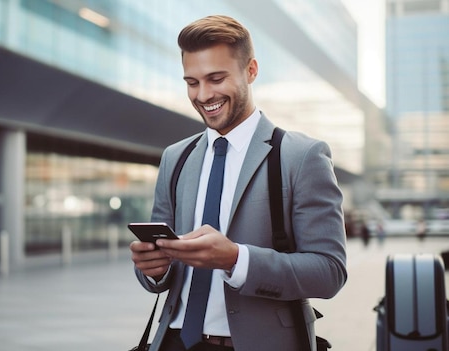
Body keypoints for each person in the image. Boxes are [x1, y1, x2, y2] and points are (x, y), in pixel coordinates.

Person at [130, 15, 347, 351]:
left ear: (251, 71)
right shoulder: (176, 158)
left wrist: (235, 259)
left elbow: (329, 271)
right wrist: (154, 269)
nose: (203, 95)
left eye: (216, 78)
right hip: (173, 341)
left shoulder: (301, 156)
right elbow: (160, 272)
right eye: (192, 82)